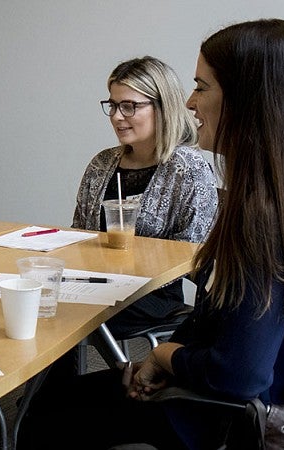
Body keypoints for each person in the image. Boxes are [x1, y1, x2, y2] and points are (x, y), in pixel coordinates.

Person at [17, 19, 284, 449]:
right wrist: (169, 357)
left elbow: (240, 374)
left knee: (45, 417)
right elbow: (220, 318)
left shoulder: (261, 219)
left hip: (223, 417)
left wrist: (164, 355)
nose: (190, 101)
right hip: (243, 392)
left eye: (202, 87)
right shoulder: (280, 200)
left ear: (248, 101)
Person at [73, 56, 218, 339]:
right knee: (40, 301)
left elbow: (192, 255)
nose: (117, 116)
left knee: (59, 316)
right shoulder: (102, 163)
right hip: (93, 284)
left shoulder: (188, 168)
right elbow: (79, 233)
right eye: (113, 105)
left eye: (129, 106)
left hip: (151, 296)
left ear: (163, 107)